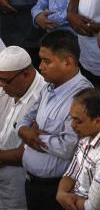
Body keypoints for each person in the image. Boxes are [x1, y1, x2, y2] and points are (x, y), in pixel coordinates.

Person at [18, 30, 92, 208]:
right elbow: (24, 120)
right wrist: (25, 131)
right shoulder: (48, 87)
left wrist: (33, 136)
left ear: (68, 62)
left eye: (46, 61)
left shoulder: (83, 96)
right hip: (32, 184)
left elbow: (67, 146)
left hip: (56, 190)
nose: (40, 66)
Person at [0, 45, 45, 210]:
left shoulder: (43, 97)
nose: (1, 85)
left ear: (26, 74)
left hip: (18, 181)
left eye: (5, 81)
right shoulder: (7, 86)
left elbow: (34, 149)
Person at [56, 87, 100, 210]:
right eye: (72, 118)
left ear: (97, 122)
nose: (72, 125)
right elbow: (71, 173)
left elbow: (93, 207)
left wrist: (68, 199)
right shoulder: (86, 135)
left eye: (78, 121)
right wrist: (61, 193)